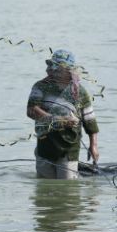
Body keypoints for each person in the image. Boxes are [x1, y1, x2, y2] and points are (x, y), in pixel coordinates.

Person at [26, 49, 99, 179]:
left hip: (69, 147)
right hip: (45, 145)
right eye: (51, 66)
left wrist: (93, 146)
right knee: (44, 186)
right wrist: (59, 120)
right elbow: (31, 110)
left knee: (68, 185)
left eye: (57, 67)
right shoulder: (40, 86)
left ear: (69, 71)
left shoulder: (80, 92)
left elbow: (90, 120)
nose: (51, 70)